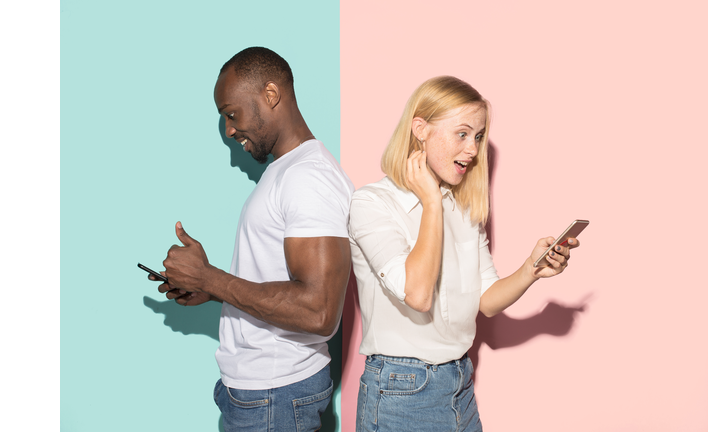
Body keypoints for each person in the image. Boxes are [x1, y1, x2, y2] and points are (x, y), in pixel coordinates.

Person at [348, 76, 582, 431]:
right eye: (462, 134)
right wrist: (430, 203)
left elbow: (485, 300)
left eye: (478, 136)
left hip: (458, 385)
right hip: (400, 392)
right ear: (420, 130)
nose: (473, 149)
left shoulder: (462, 207)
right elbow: (418, 294)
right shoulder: (372, 204)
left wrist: (532, 269)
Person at [150, 47, 354, 432]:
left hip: (275, 394)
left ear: (271, 95)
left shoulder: (309, 178)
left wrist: (211, 278)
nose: (229, 130)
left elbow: (319, 311)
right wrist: (210, 289)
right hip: (261, 392)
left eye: (231, 113)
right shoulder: (286, 171)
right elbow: (276, 276)